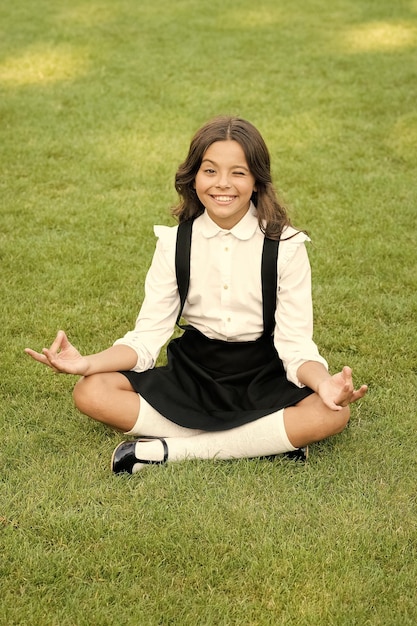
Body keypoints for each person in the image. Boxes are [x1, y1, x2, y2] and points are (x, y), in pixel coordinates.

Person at [25, 116, 368, 474]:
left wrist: (324, 384)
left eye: (238, 172)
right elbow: (145, 340)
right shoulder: (174, 243)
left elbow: (295, 345)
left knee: (332, 413)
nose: (223, 184)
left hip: (262, 373)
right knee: (90, 392)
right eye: (210, 171)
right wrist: (87, 363)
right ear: (193, 177)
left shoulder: (286, 246)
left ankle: (164, 452)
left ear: (256, 181)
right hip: (194, 372)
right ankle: (261, 444)